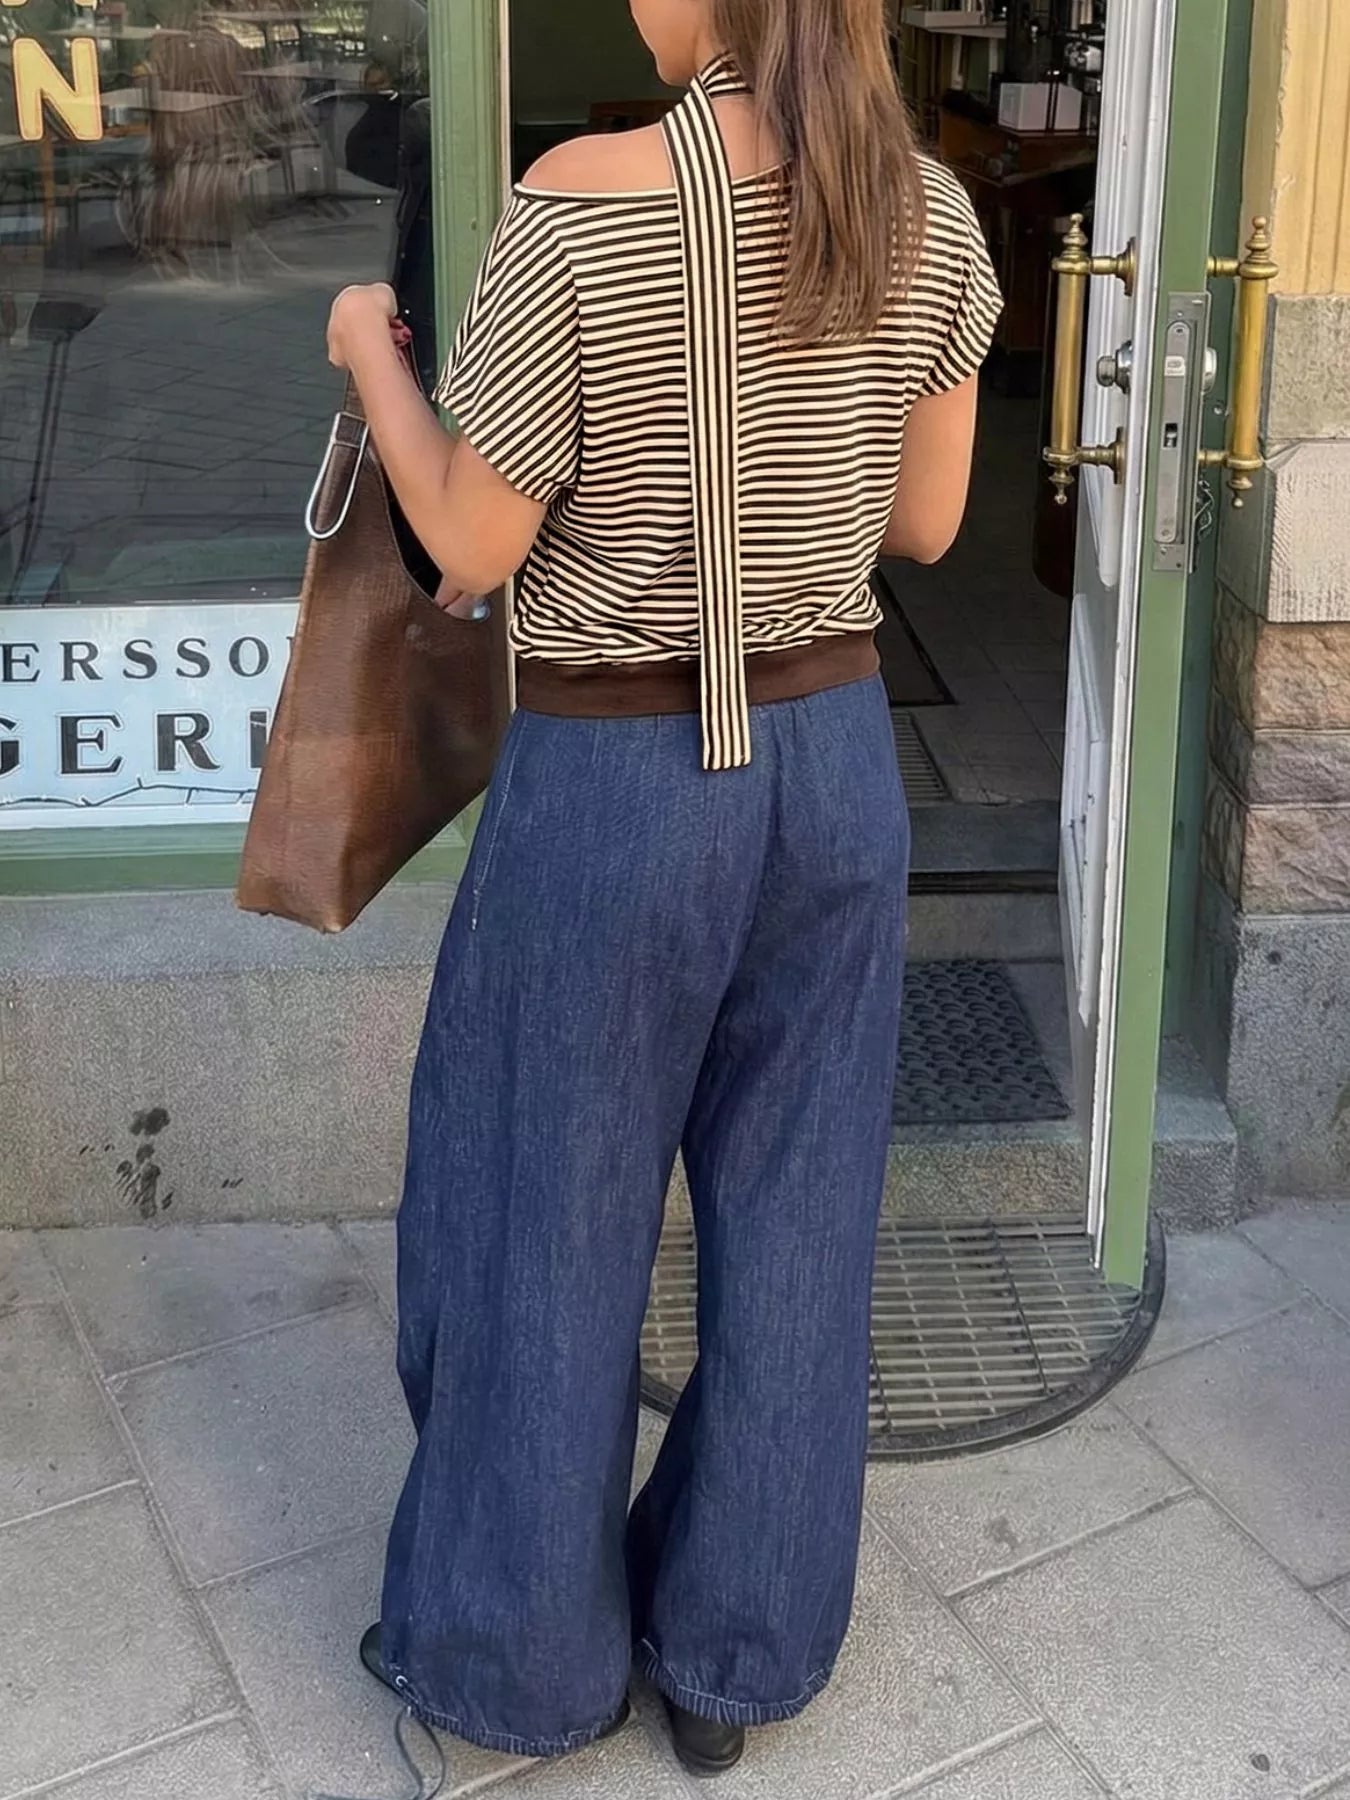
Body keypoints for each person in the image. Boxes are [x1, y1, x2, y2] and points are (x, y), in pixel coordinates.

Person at [326, 0, 1000, 1779]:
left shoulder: (579, 197)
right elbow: (925, 526)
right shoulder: (923, 205)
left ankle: (522, 1663)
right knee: (799, 1221)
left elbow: (472, 542)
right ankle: (732, 1657)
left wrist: (368, 354)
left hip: (618, 778)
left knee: (540, 1211)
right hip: (833, 769)